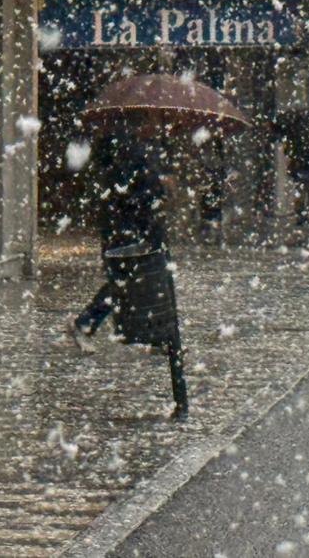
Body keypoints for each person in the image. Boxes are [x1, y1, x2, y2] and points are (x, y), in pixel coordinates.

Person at [70, 127, 190, 420]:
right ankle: (91, 323)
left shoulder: (117, 166)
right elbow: (147, 200)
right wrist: (161, 189)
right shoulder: (138, 161)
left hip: (125, 240)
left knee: (123, 285)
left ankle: (91, 323)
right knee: (127, 286)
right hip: (140, 242)